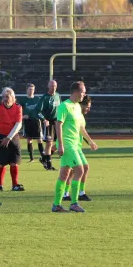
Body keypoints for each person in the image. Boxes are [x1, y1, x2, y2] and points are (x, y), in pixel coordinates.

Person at [51, 81, 98, 213]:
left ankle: (56, 205)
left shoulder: (77, 107)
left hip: (75, 145)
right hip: (67, 144)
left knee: (64, 174)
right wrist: (60, 144)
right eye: (83, 92)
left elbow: (81, 127)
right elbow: (58, 125)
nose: (84, 94)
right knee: (80, 170)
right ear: (76, 92)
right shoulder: (64, 106)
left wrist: (90, 141)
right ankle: (74, 203)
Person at [0, 87, 24, 192]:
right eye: (3, 97)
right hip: (0, 137)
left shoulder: (18, 107)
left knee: (14, 161)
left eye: (7, 97)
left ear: (13, 98)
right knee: (2, 162)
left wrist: (9, 137)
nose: (5, 99)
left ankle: (15, 184)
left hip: (13, 137)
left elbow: (18, 124)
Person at [63, 95, 93, 202]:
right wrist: (90, 141)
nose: (88, 109)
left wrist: (90, 142)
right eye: (87, 106)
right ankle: (66, 194)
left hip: (77, 147)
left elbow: (81, 129)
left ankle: (80, 193)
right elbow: (80, 130)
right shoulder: (74, 113)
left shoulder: (80, 115)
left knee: (83, 168)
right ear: (82, 104)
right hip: (72, 146)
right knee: (73, 171)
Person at [34, 80, 61, 170]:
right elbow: (37, 111)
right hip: (48, 123)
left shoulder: (58, 96)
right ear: (48, 86)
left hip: (57, 122)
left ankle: (43, 158)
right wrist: (44, 119)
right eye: (52, 86)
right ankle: (49, 166)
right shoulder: (45, 98)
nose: (54, 87)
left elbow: (61, 108)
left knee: (59, 143)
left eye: (55, 86)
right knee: (49, 143)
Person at [18, 83, 44, 162]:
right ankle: (31, 158)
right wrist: (23, 116)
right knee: (29, 140)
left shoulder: (38, 99)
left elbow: (41, 110)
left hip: (36, 121)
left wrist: (43, 118)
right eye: (30, 89)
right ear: (27, 90)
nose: (31, 91)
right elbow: (19, 112)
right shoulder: (23, 100)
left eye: (32, 89)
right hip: (27, 122)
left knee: (39, 139)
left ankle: (43, 157)